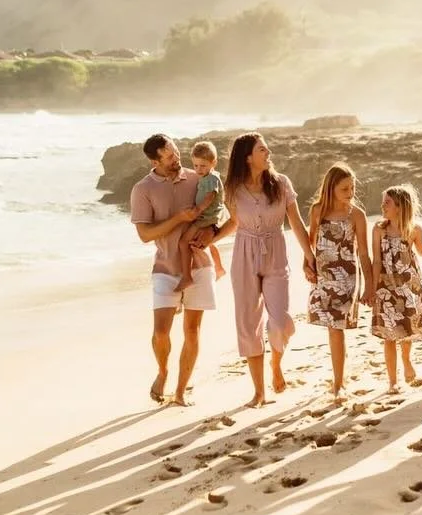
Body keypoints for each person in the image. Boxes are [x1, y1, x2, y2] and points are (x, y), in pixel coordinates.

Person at [198, 133, 315, 408]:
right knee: (249, 325)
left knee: (280, 321)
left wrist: (310, 257)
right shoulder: (233, 189)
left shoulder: (281, 183)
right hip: (244, 254)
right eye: (262, 149)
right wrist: (209, 240)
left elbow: (296, 223)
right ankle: (259, 392)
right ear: (248, 157)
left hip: (275, 252)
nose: (268, 152)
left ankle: (276, 363)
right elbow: (234, 223)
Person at [129, 133, 216, 406]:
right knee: (162, 332)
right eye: (168, 157)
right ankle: (163, 371)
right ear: (154, 161)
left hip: (199, 266)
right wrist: (178, 218)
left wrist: (211, 234)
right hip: (165, 267)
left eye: (176, 152)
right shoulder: (142, 189)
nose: (176, 159)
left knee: (192, 331)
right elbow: (145, 235)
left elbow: (218, 211)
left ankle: (180, 391)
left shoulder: (197, 178)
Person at [304, 162, 373, 403]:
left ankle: (338, 383)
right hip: (323, 278)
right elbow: (311, 243)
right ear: (331, 188)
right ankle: (339, 380)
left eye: (352, 188)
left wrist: (370, 285)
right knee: (331, 328)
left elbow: (364, 253)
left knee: (337, 329)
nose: (350, 193)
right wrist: (306, 263)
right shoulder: (317, 211)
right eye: (345, 189)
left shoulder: (357, 215)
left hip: (347, 278)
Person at [370, 184, 422, 393]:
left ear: (400, 207)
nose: (382, 206)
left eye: (387, 202)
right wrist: (373, 288)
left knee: (406, 328)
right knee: (388, 335)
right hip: (385, 286)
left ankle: (406, 358)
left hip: (408, 285)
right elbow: (376, 260)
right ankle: (393, 381)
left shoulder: (413, 230)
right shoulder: (379, 229)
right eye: (383, 202)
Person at [176, 141, 227, 291]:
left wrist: (198, 210)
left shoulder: (211, 179)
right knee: (206, 243)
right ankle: (219, 268)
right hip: (208, 216)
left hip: (205, 218)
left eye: (203, 166)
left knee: (183, 242)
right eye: (195, 165)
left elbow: (210, 196)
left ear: (214, 163)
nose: (198, 169)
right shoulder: (209, 176)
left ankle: (187, 277)